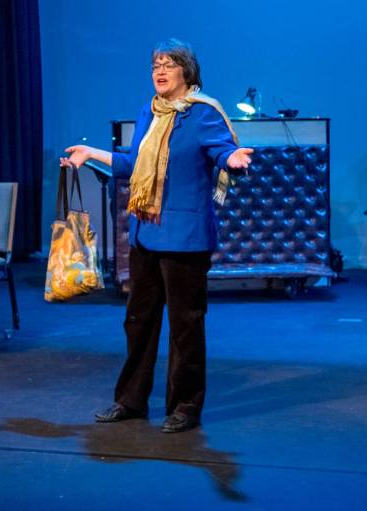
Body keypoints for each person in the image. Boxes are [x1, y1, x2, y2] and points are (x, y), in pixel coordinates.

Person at [62, 39, 253, 433]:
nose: (160, 72)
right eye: (155, 66)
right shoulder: (149, 113)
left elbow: (222, 150)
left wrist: (232, 160)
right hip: (145, 234)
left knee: (185, 326)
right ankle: (131, 400)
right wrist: (91, 152)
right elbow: (133, 165)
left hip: (185, 238)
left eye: (168, 65)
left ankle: (184, 405)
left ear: (187, 71)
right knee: (138, 322)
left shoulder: (203, 114)